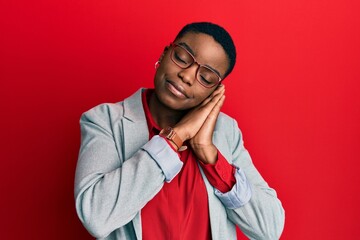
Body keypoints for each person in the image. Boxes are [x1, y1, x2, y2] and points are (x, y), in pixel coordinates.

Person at [74, 22, 285, 240]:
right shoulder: (105, 120)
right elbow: (96, 217)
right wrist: (175, 138)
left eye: (206, 77)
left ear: (214, 91)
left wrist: (208, 154)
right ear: (165, 53)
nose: (187, 76)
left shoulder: (226, 132)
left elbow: (269, 229)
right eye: (182, 58)